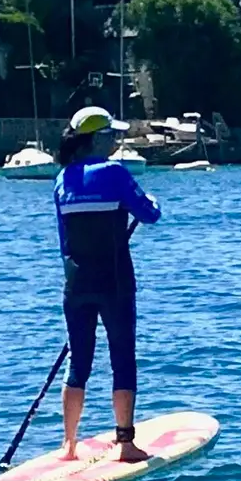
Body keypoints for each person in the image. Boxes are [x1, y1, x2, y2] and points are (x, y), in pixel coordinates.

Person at [53, 106, 162, 461]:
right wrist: (151, 202)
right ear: (97, 139)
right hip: (114, 283)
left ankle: (69, 445)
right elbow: (149, 214)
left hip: (76, 284)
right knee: (122, 358)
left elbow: (64, 242)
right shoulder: (114, 172)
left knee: (78, 362)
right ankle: (125, 443)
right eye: (112, 134)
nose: (116, 140)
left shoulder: (62, 178)